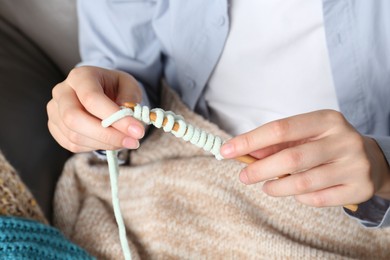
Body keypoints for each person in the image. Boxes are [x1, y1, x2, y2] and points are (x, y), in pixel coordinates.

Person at [47, 0, 390, 228]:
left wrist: (383, 171)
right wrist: (98, 108)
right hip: (168, 174)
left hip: (344, 209)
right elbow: (119, 62)